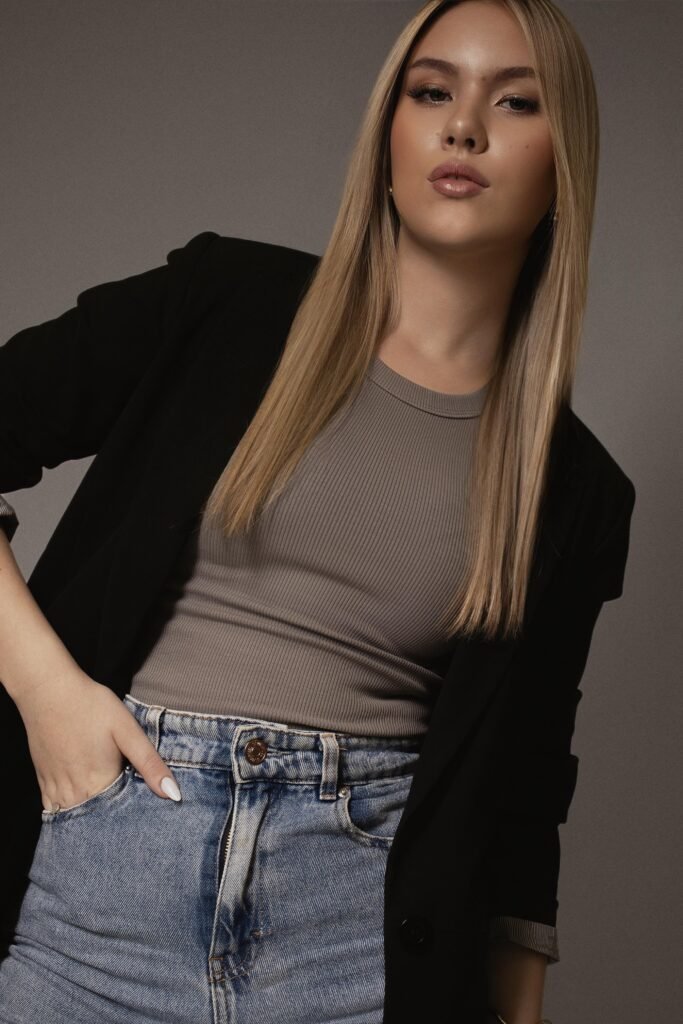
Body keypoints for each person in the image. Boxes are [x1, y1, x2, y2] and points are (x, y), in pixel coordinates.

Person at [0, 1, 636, 1022]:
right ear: (387, 136)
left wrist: (519, 1001)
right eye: (431, 91)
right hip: (96, 908)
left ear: (565, 164)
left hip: (356, 938)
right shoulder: (225, 305)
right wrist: (46, 693)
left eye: (515, 103)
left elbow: (522, 783)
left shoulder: (575, 488)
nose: (462, 126)